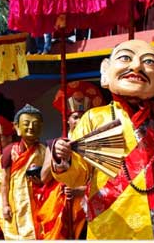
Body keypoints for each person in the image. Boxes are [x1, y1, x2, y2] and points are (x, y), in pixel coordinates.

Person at [51, 40, 154, 239]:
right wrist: (64, 159)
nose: (137, 66)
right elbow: (78, 175)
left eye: (149, 62)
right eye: (125, 58)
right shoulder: (94, 118)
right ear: (106, 70)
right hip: (113, 222)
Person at [38, 80, 105, 240]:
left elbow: (102, 179)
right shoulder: (55, 144)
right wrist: (59, 157)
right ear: (67, 119)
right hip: (61, 207)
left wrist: (80, 190)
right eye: (75, 117)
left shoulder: (97, 146)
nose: (79, 121)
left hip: (89, 203)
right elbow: (43, 177)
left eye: (83, 117)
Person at [0, 104, 46, 240]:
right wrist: (5, 204)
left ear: (41, 127)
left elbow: (52, 178)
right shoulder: (10, 151)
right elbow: (4, 181)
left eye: (35, 124)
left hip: (39, 200)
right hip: (17, 201)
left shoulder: (45, 151)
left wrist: (42, 181)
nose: (31, 127)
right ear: (17, 127)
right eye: (26, 123)